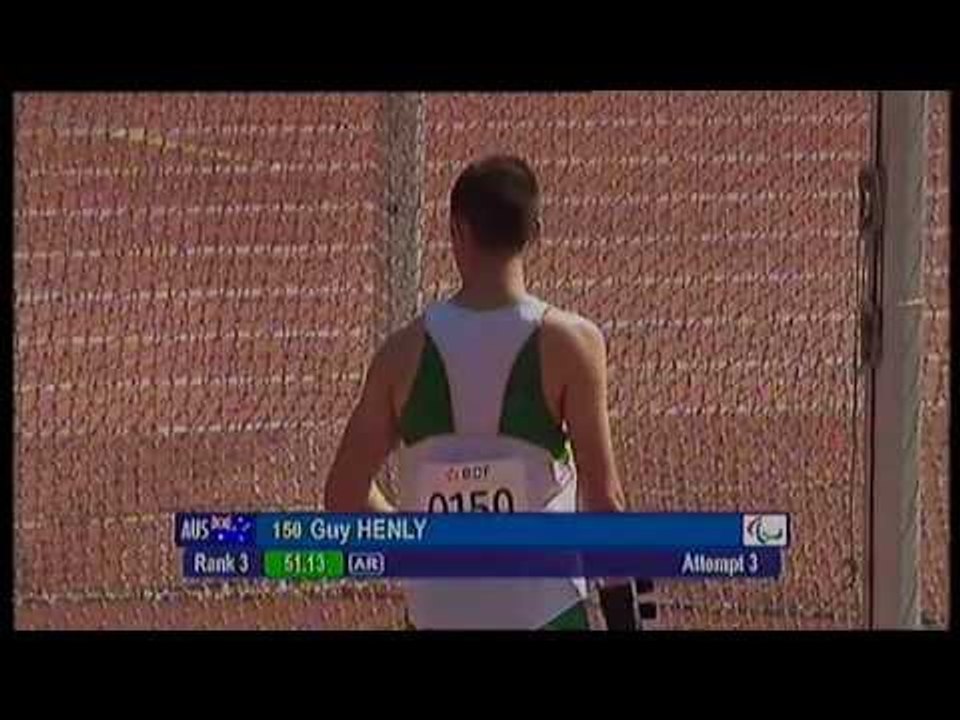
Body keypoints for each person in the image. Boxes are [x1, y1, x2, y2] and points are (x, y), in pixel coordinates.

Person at [324, 154, 647, 629]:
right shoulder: (572, 344)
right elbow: (603, 498)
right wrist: (623, 617)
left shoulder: (401, 353)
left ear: (457, 230)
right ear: (535, 231)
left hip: (440, 614)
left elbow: (343, 496)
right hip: (543, 611)